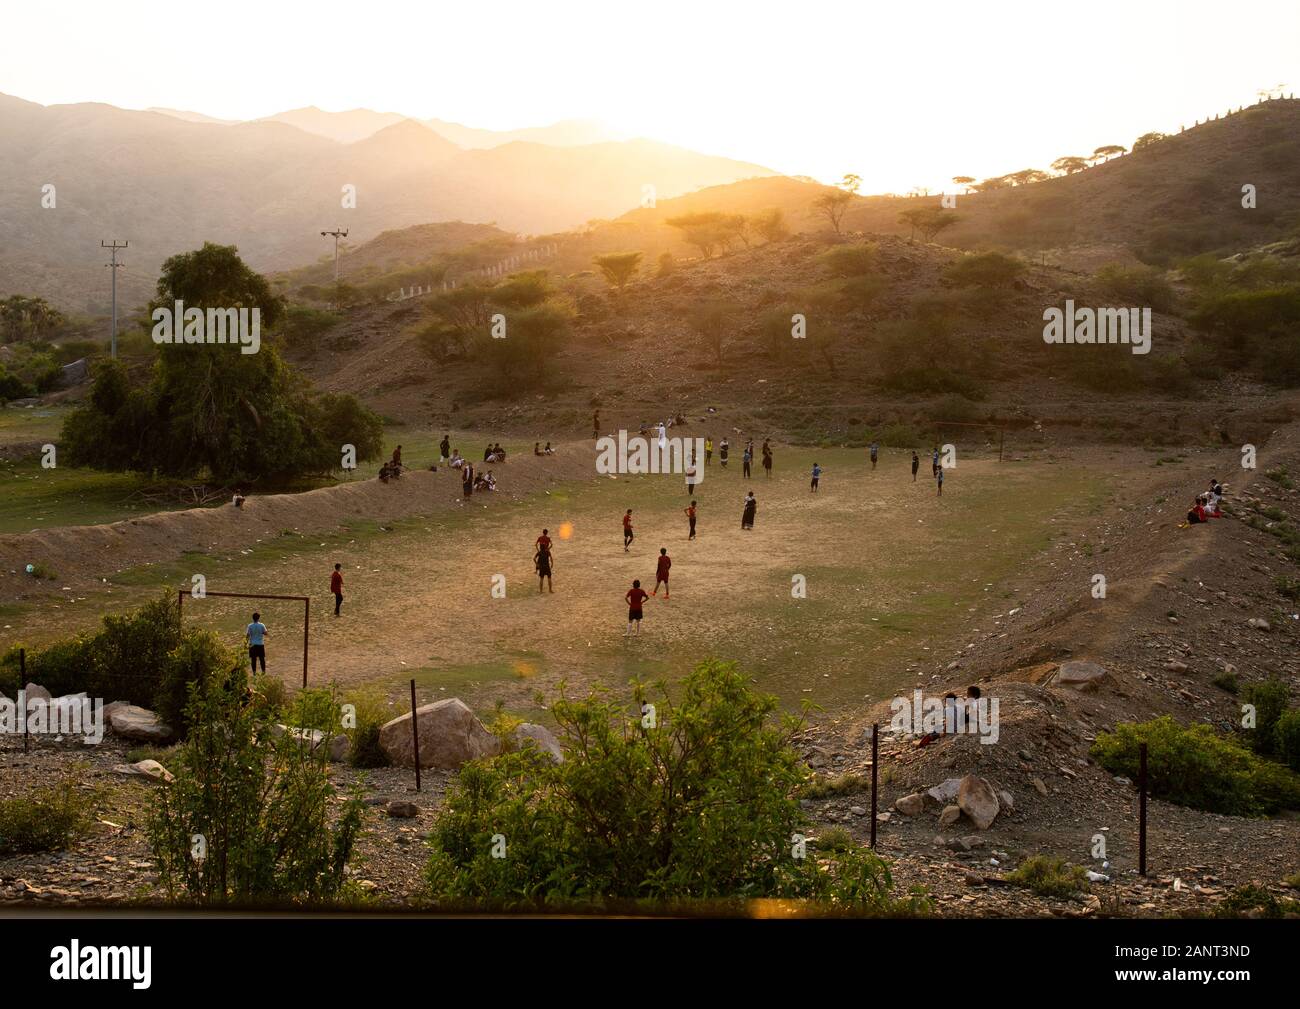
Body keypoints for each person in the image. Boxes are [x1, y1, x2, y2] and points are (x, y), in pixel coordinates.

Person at [535, 529, 554, 593]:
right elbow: (551, 545)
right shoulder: (548, 539)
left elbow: (535, 544)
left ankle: (540, 591)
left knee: (541, 578)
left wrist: (538, 550)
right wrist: (548, 549)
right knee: (549, 577)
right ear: (547, 533)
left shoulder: (540, 538)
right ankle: (550, 590)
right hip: (547, 565)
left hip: (541, 557)